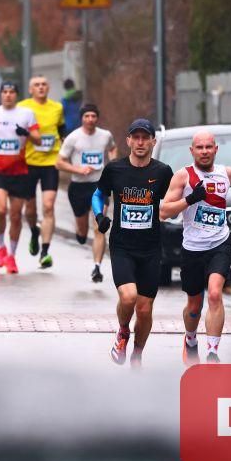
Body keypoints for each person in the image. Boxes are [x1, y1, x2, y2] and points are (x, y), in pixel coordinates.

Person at [160, 129, 231, 365]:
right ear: (192, 151)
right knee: (194, 305)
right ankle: (190, 340)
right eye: (199, 147)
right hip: (192, 248)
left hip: (220, 243)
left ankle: (212, 352)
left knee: (214, 294)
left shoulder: (226, 173)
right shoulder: (183, 176)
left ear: (215, 149)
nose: (204, 151)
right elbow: (163, 212)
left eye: (208, 147)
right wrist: (190, 199)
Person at [92, 119, 174, 367]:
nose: (140, 142)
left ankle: (137, 354)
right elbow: (98, 194)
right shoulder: (115, 169)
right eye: (135, 137)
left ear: (153, 142)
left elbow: (173, 201)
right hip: (122, 246)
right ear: (128, 140)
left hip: (150, 248)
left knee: (145, 309)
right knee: (128, 297)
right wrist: (99, 216)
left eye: (144, 138)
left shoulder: (162, 172)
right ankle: (123, 331)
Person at [55, 104, 117, 283]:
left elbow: (112, 148)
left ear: (97, 118)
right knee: (82, 232)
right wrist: (78, 169)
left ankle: (97, 267)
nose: (90, 119)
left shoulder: (105, 135)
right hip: (78, 187)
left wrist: (112, 163)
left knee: (99, 226)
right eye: (87, 116)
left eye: (93, 116)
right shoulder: (73, 138)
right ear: (82, 118)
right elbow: (59, 162)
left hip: (99, 186)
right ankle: (80, 233)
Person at [0, 82, 39, 274]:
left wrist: (27, 134)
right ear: (1, 95)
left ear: (16, 95)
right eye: (5, 92)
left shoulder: (27, 114)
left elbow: (38, 139)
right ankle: (1, 247)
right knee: (0, 210)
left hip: (19, 172)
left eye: (12, 92)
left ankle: (12, 256)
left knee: (15, 216)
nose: (8, 95)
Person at [18, 75, 65, 269]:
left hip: (50, 163)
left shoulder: (57, 108)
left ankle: (45, 252)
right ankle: (34, 231)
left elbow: (62, 131)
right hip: (28, 162)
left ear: (48, 87)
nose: (40, 87)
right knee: (29, 210)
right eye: (36, 85)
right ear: (30, 89)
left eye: (44, 84)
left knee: (48, 206)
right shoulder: (22, 107)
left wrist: (64, 153)